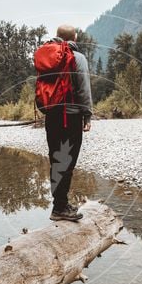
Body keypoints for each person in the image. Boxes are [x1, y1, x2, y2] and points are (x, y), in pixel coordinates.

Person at [44, 24, 93, 222]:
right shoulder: (78, 58)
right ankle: (60, 208)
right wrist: (87, 115)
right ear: (74, 37)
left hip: (51, 116)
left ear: (57, 37)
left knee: (56, 159)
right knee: (68, 162)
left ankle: (59, 205)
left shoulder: (47, 56)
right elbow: (83, 89)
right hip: (70, 117)